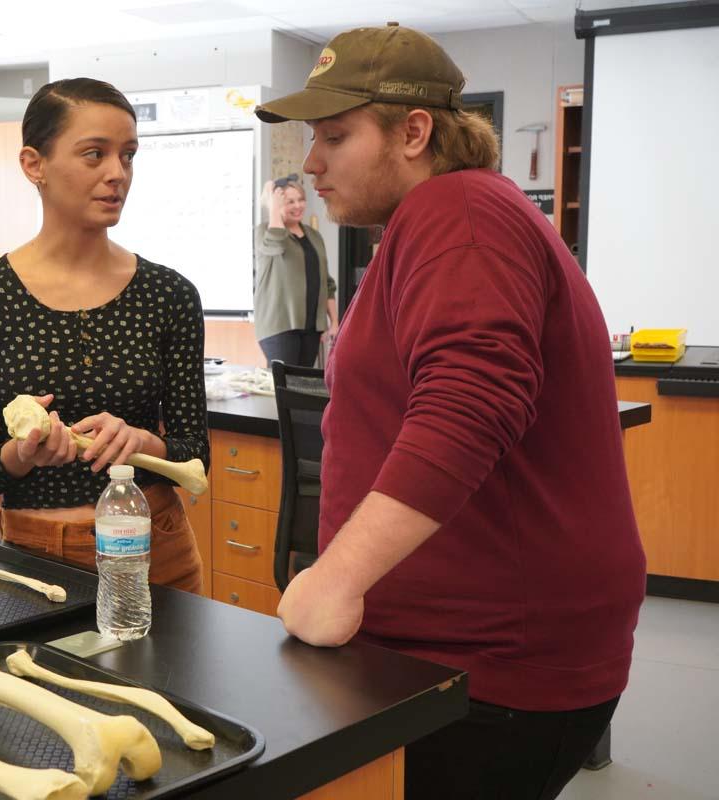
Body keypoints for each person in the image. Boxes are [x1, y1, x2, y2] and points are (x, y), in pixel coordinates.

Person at [256, 24, 645, 800]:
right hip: (463, 648)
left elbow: (469, 404)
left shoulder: (458, 212)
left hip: (491, 664)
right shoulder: (440, 220)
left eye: (335, 135)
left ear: (414, 131)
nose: (311, 162)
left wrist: (337, 578)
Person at [0, 78, 208, 593]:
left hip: (156, 548)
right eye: (94, 155)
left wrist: (144, 441)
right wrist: (23, 454)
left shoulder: (169, 294)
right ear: (33, 164)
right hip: (38, 560)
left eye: (127, 156)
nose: (117, 174)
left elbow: (194, 448)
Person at [254, 174, 338, 366]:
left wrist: (333, 322)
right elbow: (275, 244)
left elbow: (327, 282)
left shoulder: (314, 236)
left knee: (301, 387)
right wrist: (273, 206)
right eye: (289, 201)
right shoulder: (265, 232)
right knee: (283, 386)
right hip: (279, 325)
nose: (298, 206)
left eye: (301, 199)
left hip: (312, 326)